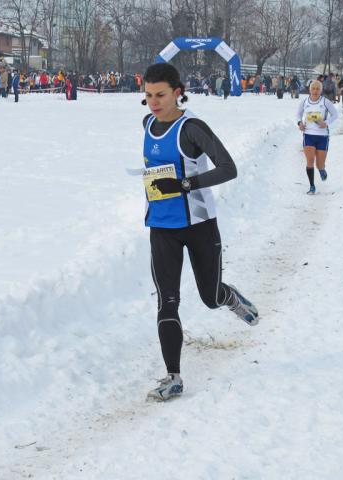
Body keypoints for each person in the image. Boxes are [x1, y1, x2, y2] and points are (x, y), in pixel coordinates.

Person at [139, 63, 259, 402]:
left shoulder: (191, 128)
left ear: (177, 92)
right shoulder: (147, 124)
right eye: (148, 95)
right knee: (167, 301)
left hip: (199, 225)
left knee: (209, 297)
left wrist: (184, 184)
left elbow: (228, 168)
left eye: (160, 95)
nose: (153, 102)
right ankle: (173, 376)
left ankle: (229, 297)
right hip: (161, 226)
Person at [295, 79, 339, 194]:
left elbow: (335, 114)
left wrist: (326, 122)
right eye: (313, 88)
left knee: (319, 164)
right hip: (308, 134)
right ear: (309, 90)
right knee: (310, 161)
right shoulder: (305, 102)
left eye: (317, 89)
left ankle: (321, 169)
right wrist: (300, 123)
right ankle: (312, 186)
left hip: (322, 136)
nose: (315, 91)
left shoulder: (325, 102)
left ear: (321, 90)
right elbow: (298, 114)